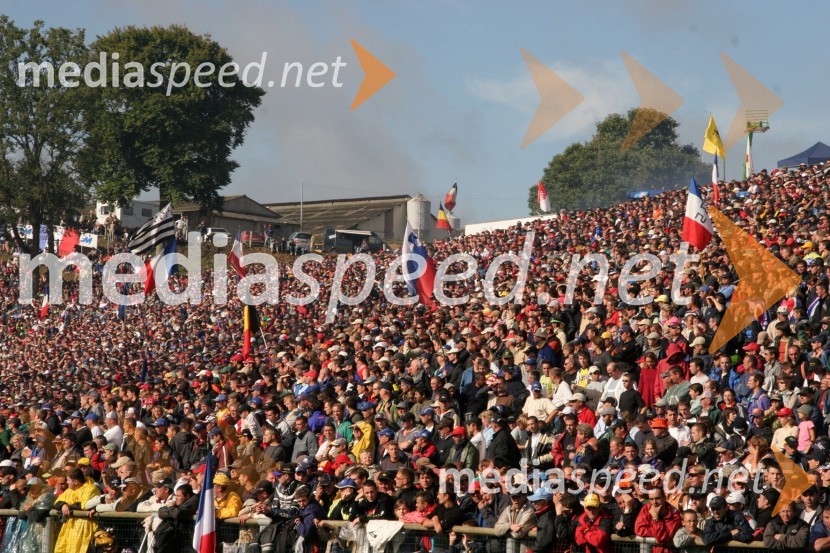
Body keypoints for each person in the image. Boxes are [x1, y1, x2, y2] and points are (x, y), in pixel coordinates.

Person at [54, 468, 99, 553]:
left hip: (84, 527)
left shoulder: (91, 489)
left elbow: (84, 505)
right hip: (70, 526)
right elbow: (57, 502)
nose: (67, 482)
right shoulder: (69, 491)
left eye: (68, 480)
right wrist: (63, 505)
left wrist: (68, 506)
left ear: (75, 481)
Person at [152, 483, 199, 553]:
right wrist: (172, 510)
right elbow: (160, 512)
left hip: (187, 541)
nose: (176, 498)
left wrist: (171, 507)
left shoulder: (193, 503)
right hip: (173, 540)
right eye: (176, 495)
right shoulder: (178, 503)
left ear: (187, 496)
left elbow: (178, 514)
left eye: (179, 496)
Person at [634, 488, 681, 553]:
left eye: (657, 498)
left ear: (664, 497)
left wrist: (656, 519)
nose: (654, 502)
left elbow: (663, 538)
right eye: (651, 499)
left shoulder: (674, 514)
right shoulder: (646, 508)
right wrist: (656, 532)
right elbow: (638, 529)